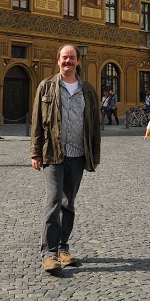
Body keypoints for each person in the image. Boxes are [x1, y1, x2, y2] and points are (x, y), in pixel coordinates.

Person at [29, 44, 101, 274]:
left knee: (69, 203)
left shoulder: (88, 90)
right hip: (53, 152)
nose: (68, 61)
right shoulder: (46, 87)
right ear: (57, 60)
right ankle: (49, 254)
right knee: (53, 201)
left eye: (72, 58)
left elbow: (95, 126)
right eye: (64, 58)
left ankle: (63, 248)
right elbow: (36, 123)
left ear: (77, 61)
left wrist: (95, 155)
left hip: (78, 154)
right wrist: (35, 152)